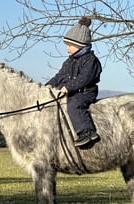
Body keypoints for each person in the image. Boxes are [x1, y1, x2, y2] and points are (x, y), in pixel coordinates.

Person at [45, 17, 102, 147]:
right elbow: (60, 75)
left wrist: (68, 87)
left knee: (74, 104)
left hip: (85, 92)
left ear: (80, 45)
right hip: (72, 91)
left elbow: (84, 78)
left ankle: (87, 132)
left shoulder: (90, 60)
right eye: (67, 45)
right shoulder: (69, 61)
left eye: (70, 45)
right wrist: (50, 84)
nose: (67, 48)